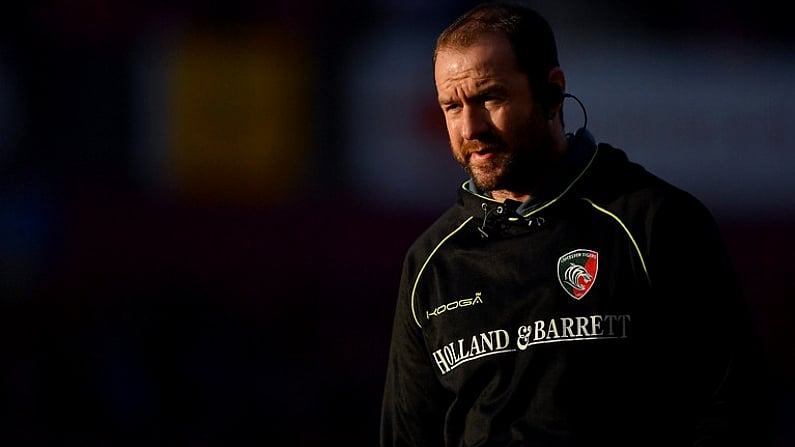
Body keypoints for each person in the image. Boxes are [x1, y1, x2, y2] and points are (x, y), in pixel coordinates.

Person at [379, 2, 771, 446]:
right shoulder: (431, 264)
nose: (470, 126)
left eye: (491, 97)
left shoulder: (653, 221)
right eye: (452, 106)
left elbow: (735, 405)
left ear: (552, 91)